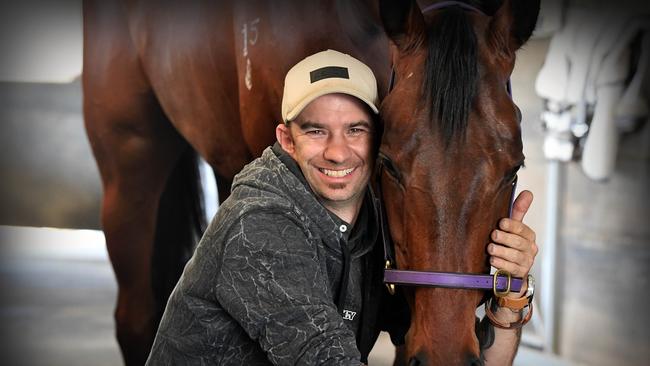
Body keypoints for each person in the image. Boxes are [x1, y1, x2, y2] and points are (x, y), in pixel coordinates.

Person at [145, 50, 538, 365]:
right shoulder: (259, 225)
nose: (336, 152)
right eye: (316, 130)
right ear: (287, 140)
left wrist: (509, 294)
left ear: (377, 140)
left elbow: (469, 358)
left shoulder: (365, 225)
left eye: (355, 129)